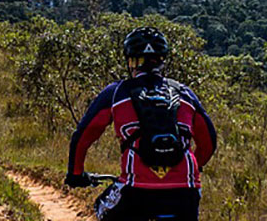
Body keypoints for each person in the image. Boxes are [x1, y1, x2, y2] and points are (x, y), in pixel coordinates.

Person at [65, 27, 217, 220]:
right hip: (186, 192)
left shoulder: (116, 93)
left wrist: (76, 174)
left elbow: (83, 137)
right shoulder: (184, 94)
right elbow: (209, 142)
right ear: (162, 60)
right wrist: (195, 165)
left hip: (135, 191)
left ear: (130, 61)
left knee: (101, 208)